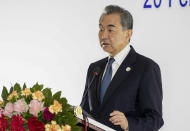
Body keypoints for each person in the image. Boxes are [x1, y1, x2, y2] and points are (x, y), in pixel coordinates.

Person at [80, 5, 164, 131]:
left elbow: (155, 120)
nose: (103, 35)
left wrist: (128, 124)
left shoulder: (146, 68)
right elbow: (84, 112)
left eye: (110, 30)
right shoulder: (94, 68)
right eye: (101, 29)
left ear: (128, 33)